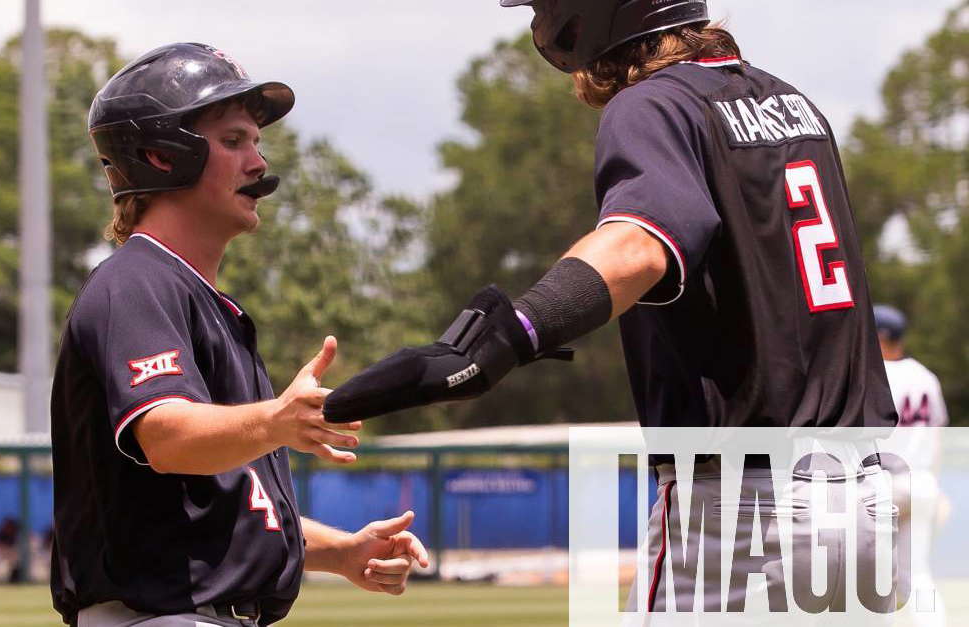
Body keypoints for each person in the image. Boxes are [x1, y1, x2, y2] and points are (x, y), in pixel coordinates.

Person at [324, 0, 898, 616]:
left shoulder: (654, 103)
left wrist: (512, 334)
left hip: (744, 512)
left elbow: (639, 242)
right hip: (868, 498)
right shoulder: (795, 105)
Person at [50, 43, 428, 627]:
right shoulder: (136, 283)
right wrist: (276, 421)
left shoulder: (203, 304)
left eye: (255, 142)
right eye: (233, 141)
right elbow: (168, 437)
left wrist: (342, 553)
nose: (258, 163)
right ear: (160, 155)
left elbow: (225, 504)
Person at [875, 304, 949, 625]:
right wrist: (937, 488)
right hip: (921, 484)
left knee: (875, 578)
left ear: (877, 337)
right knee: (917, 575)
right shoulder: (926, 377)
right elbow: (937, 439)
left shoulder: (871, 375)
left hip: (881, 486)